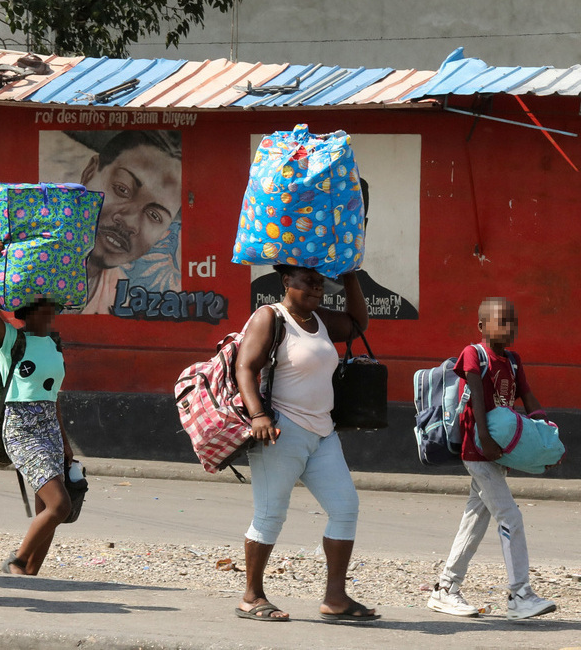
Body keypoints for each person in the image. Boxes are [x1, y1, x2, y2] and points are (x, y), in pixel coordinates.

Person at [232, 264, 379, 622]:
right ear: (286, 281)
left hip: (323, 433)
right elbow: (245, 367)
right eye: (308, 282)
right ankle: (251, 596)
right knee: (270, 514)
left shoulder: (323, 320)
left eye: (320, 283)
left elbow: (358, 323)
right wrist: (258, 416)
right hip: (281, 432)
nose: (317, 288)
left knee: (345, 508)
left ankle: (336, 597)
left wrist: (349, 276)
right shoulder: (270, 317)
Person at [427, 297, 556, 621]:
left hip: (498, 454)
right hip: (478, 451)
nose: (509, 328)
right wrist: (484, 438)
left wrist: (546, 438)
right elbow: (475, 397)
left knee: (474, 521)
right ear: (483, 326)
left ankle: (445, 589)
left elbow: (527, 397)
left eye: (513, 322)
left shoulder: (512, 361)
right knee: (510, 518)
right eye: (502, 322)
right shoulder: (474, 354)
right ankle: (520, 594)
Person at [0, 234, 74, 575]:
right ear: (28, 312)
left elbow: (54, 396)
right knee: (59, 505)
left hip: (48, 424)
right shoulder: (11, 339)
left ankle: (31, 573)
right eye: (45, 308)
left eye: (53, 308)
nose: (52, 313)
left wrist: (64, 441)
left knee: (47, 508)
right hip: (20, 427)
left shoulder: (53, 343)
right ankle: (16, 561)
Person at [250, 180, 418, 319]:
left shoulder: (400, 307)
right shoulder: (266, 310)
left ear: (362, 228)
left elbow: (355, 327)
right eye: (324, 219)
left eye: (322, 283)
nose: (318, 288)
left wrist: (348, 269)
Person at [70, 130, 183, 314]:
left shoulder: (121, 302)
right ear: (90, 173)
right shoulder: (31, 265)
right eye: (122, 189)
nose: (129, 222)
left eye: (154, 216)